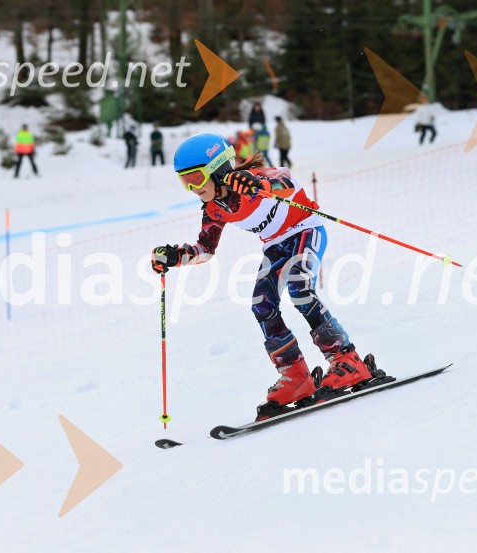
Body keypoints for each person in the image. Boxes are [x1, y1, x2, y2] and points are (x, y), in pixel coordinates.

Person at [151, 133, 377, 420]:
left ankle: (347, 359)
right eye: (185, 181)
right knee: (262, 304)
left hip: (304, 230)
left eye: (195, 178)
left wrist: (259, 185)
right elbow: (205, 249)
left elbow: (285, 180)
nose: (193, 188)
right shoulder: (214, 208)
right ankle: (296, 376)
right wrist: (174, 256)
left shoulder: (251, 180)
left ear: (219, 169)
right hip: (275, 245)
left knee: (300, 288)